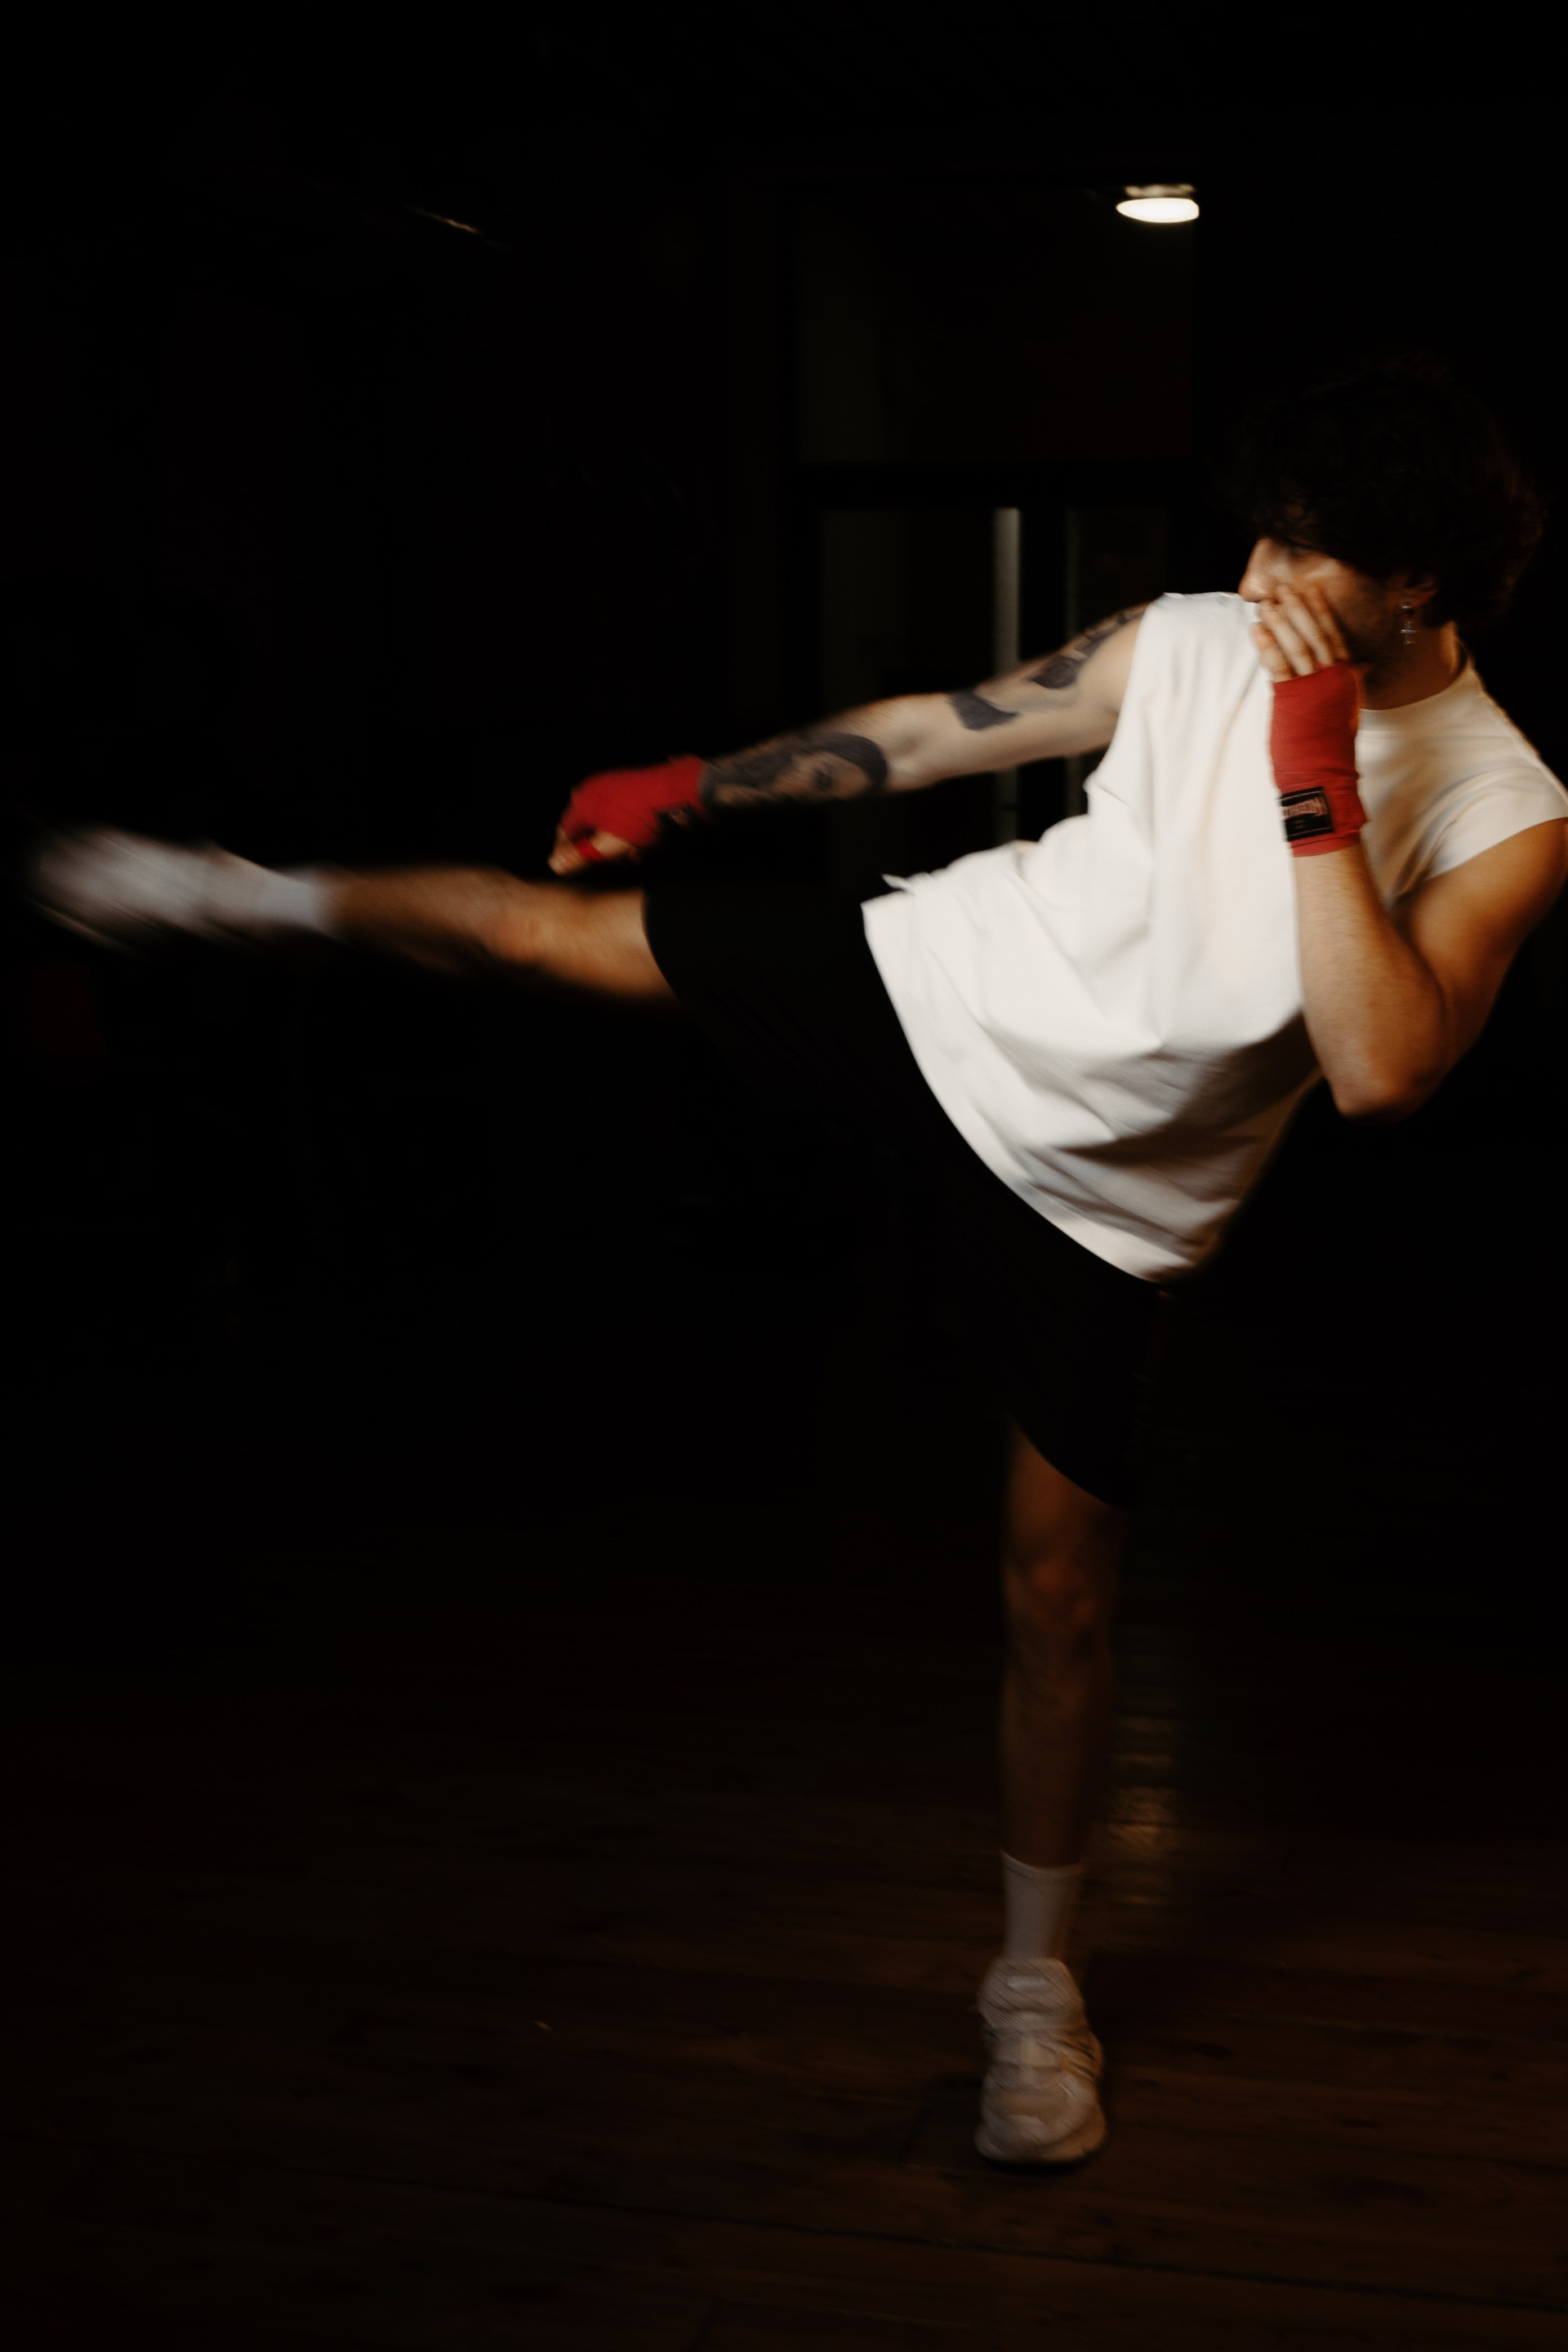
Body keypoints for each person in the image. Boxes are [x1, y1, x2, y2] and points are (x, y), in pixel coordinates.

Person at [30, 362, 1568, 2166]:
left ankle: (1033, 1994)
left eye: (1314, 559)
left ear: (1421, 585)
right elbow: (932, 734)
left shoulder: (1504, 805)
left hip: (1110, 1204)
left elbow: (1383, 1069)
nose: (1265, 582)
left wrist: (1317, 778)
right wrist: (694, 785)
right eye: (1265, 538)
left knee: (1058, 1600)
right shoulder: (1192, 638)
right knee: (542, 937)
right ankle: (229, 895)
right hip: (948, 986)